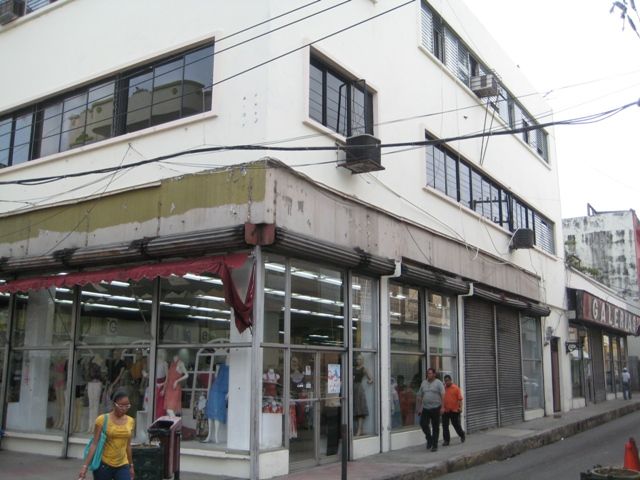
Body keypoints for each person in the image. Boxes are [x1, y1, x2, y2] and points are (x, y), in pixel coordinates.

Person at [78, 389, 135, 480]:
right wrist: (85, 467)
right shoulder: (102, 420)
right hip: (104, 465)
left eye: (127, 406)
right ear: (114, 404)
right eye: (121, 406)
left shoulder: (130, 421)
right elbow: (94, 444)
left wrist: (131, 465)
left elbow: (128, 446)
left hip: (123, 465)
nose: (124, 409)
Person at [417, 367, 445, 452]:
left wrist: (443, 407)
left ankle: (434, 445)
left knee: (435, 427)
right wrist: (420, 408)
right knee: (423, 424)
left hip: (436, 408)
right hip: (426, 408)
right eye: (427, 373)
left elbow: (443, 395)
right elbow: (420, 395)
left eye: (430, 373)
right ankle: (429, 438)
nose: (428, 375)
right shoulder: (424, 383)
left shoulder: (438, 383)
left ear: (434, 374)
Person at [442, 374, 465, 446]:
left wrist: (460, 408)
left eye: (447, 381)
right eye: (445, 381)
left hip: (454, 410)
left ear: (450, 380)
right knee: (445, 426)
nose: (446, 382)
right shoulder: (443, 388)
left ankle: (462, 434)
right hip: (446, 410)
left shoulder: (455, 388)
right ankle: (446, 440)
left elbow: (460, 399)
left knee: (456, 425)